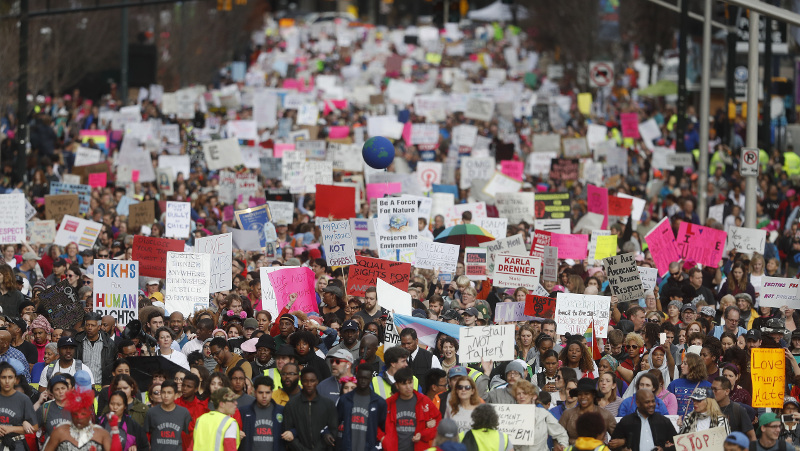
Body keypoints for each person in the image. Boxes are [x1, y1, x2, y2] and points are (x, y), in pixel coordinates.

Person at [384, 367, 441, 450]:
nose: (408, 387)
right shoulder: (388, 403)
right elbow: (377, 425)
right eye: (404, 384)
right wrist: (384, 439)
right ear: (397, 385)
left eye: (410, 383)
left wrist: (423, 434)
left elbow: (439, 423)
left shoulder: (424, 401)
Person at [282, 367, 337, 450]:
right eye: (305, 381)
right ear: (301, 380)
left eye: (312, 381)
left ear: (317, 381)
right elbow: (287, 432)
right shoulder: (291, 405)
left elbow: (333, 430)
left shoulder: (328, 404)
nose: (309, 384)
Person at [336, 365, 388, 451]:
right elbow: (334, 421)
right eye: (361, 378)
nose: (363, 381)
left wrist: (378, 446)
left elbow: (385, 428)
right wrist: (327, 432)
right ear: (356, 377)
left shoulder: (379, 402)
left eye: (366, 378)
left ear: (371, 378)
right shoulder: (345, 400)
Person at [43, 388, 111, 451]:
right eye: (75, 414)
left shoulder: (102, 434)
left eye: (83, 414)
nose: (79, 418)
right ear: (71, 415)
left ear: (90, 415)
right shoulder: (59, 431)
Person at [609, 389, 677, 451]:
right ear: (638, 403)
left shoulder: (663, 421)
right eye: (647, 402)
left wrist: (664, 450)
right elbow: (612, 445)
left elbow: (679, 445)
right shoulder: (626, 422)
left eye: (653, 401)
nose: (651, 404)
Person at [512, 380, 569, 451]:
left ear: (534, 396)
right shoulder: (511, 415)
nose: (521, 396)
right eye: (518, 394)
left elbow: (561, 433)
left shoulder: (543, 414)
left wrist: (562, 446)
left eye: (525, 393)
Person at [558, 378, 617, 443]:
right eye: (580, 394)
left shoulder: (605, 415)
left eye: (586, 394)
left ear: (593, 395)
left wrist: (615, 444)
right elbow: (558, 435)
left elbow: (617, 437)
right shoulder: (568, 414)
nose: (583, 397)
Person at [239, 375, 285, 451]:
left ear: (272, 393)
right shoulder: (244, 411)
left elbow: (294, 429)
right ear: (255, 392)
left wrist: (292, 432)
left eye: (267, 392)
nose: (264, 396)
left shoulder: (281, 411)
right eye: (260, 392)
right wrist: (236, 433)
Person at [145, 380, 192, 451]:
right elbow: (145, 434)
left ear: (176, 395)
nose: (166, 396)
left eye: (169, 393)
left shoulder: (184, 413)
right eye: (163, 392)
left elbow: (189, 436)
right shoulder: (151, 412)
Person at [0, 361, 37, 451]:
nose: (7, 381)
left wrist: (11, 429)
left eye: (10, 377)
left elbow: (35, 427)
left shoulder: (23, 399)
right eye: (3, 377)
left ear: (16, 380)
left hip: (17, 444)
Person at [75, 311, 117, 386]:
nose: (89, 328)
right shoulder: (78, 341)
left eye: (93, 325)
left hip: (101, 384)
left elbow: (111, 366)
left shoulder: (109, 344)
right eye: (87, 325)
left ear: (99, 327)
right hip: (81, 384)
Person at [668, 352, 712, 417]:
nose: (681, 366)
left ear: (694, 366)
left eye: (685, 364)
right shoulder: (674, 384)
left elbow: (711, 409)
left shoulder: (707, 386)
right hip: (677, 424)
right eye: (682, 363)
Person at [35, 374, 72, 446]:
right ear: (52, 392)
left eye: (63, 388)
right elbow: (33, 426)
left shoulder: (77, 407)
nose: (60, 391)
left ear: (68, 389)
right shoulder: (45, 408)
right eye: (57, 389)